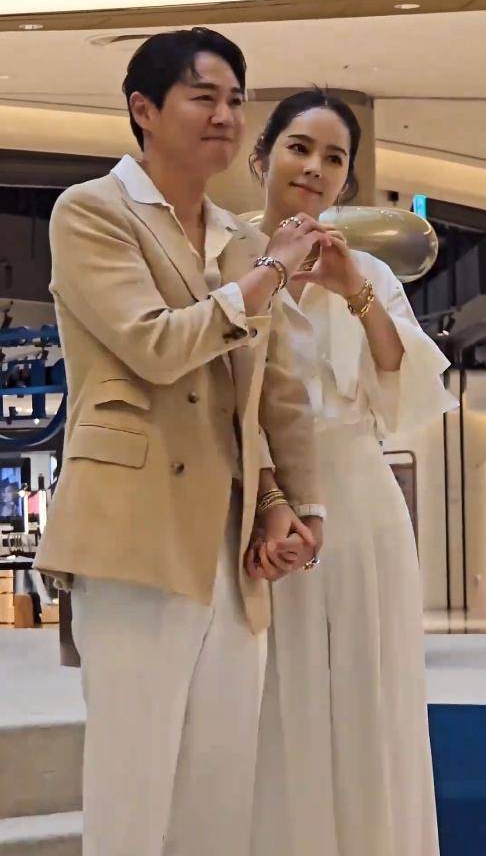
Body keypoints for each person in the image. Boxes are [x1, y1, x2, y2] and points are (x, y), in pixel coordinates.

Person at [34, 33, 327, 856]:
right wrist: (269, 272)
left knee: (219, 801)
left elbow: (267, 391)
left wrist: (293, 503)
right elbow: (155, 344)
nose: (226, 115)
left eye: (236, 100)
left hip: (231, 549)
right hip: (134, 534)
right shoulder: (92, 211)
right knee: (131, 800)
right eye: (204, 97)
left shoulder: (239, 239)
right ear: (144, 108)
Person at [249, 88, 457, 856]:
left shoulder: (362, 268)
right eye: (299, 147)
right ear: (262, 157)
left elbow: (402, 389)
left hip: (364, 508)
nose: (315, 167)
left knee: (372, 699)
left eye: (334, 157)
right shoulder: (225, 256)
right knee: (276, 701)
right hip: (267, 508)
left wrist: (355, 291)